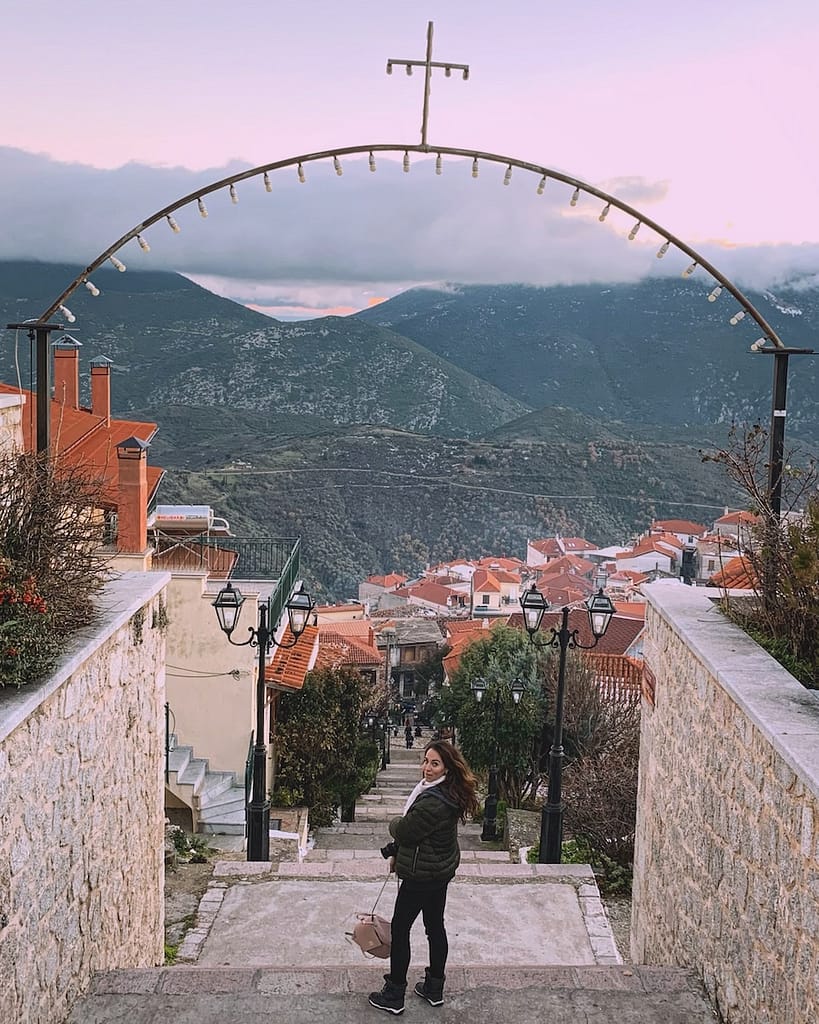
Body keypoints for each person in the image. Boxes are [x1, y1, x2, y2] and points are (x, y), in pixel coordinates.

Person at [368, 741, 479, 1015]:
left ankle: (394, 994)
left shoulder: (433, 801)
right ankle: (434, 988)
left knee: (400, 929)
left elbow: (404, 830)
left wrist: (394, 823)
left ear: (446, 768)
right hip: (439, 872)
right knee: (434, 927)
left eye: (434, 763)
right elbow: (422, 836)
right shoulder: (446, 792)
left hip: (421, 876)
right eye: (426, 761)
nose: (426, 768)